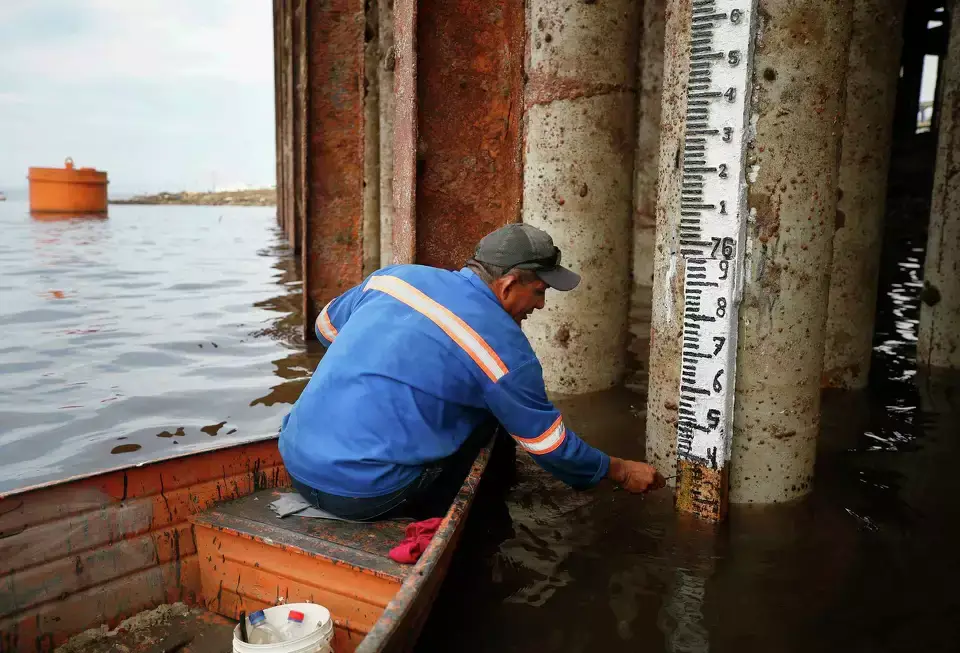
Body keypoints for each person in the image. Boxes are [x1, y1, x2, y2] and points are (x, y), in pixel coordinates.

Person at [278, 223, 665, 521]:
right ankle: (476, 525)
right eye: (541, 291)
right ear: (509, 284)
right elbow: (549, 447)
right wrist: (617, 469)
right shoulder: (507, 354)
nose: (542, 305)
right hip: (366, 496)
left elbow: (325, 329)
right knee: (491, 419)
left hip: (295, 460)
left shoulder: (394, 279)